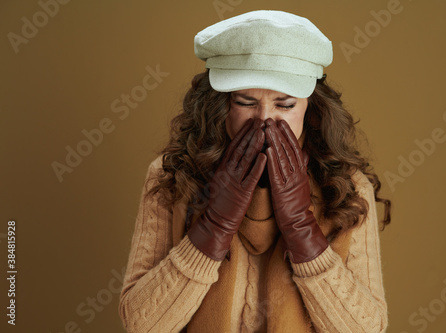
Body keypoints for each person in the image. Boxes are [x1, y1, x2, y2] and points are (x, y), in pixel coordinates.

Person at [118, 10, 392, 333]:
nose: (265, 120)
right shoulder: (171, 176)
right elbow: (141, 323)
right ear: (218, 104)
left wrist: (302, 231)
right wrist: (212, 229)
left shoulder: (349, 188)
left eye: (285, 105)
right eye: (246, 102)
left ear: (311, 107)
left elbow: (368, 328)